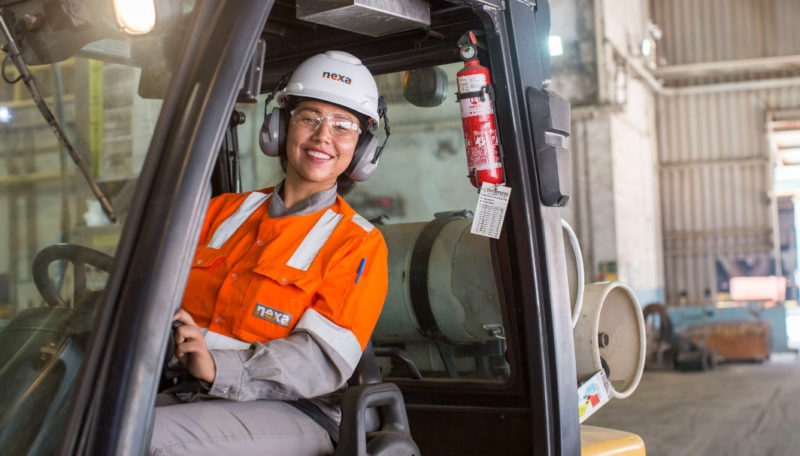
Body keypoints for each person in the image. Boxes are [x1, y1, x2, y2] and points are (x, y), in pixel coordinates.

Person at [149, 50, 389, 456]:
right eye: (309, 117)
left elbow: (317, 361)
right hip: (191, 393)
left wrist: (219, 368)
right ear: (280, 126)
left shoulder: (358, 243)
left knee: (143, 440)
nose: (322, 137)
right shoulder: (220, 212)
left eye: (343, 126)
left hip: (294, 410)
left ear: (362, 149)